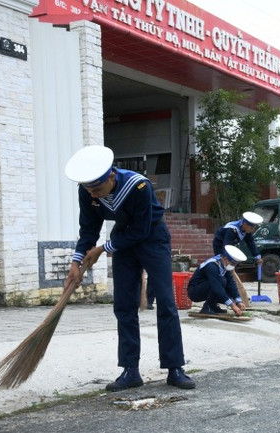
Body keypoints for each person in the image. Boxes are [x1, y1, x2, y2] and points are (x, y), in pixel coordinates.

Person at [63, 145, 195, 392]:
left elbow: (141, 230)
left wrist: (104, 248)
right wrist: (76, 261)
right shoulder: (88, 191)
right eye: (89, 191)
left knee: (166, 302)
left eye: (98, 190)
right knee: (124, 305)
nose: (94, 196)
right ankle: (130, 370)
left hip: (152, 238)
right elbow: (89, 228)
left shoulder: (138, 186)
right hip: (122, 240)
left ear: (111, 176)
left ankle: (175, 367)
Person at [187, 245, 248, 316]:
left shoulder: (224, 265)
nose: (233, 266)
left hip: (210, 286)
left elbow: (231, 284)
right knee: (222, 281)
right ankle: (207, 307)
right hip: (195, 291)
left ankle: (213, 306)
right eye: (232, 263)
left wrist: (238, 301)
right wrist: (232, 305)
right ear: (225, 258)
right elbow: (217, 287)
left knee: (225, 283)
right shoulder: (211, 265)